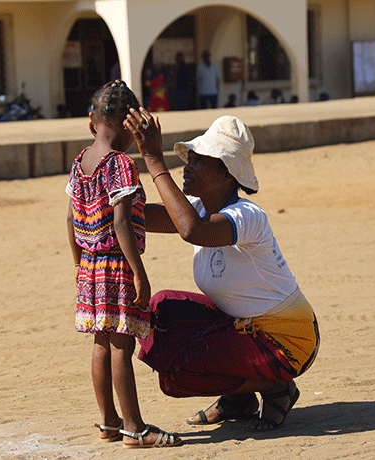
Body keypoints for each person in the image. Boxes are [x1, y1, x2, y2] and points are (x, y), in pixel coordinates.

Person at [123, 108, 320, 432]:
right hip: (241, 325)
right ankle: (239, 398)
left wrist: (155, 160)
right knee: (160, 308)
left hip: (287, 339)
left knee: (176, 376)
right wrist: (103, 196)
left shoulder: (247, 215)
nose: (188, 167)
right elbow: (145, 217)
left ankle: (274, 386)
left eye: (198, 161)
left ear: (228, 174)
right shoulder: (200, 207)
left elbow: (191, 230)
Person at [66, 80, 181, 448]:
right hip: (116, 266)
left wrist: (79, 264)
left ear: (91, 123)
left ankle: (108, 422)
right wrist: (138, 272)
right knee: (122, 346)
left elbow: (70, 219)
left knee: (101, 343)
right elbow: (120, 222)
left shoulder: (80, 161)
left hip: (90, 267)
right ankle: (135, 427)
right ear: (131, 129)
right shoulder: (120, 165)